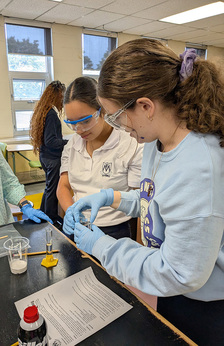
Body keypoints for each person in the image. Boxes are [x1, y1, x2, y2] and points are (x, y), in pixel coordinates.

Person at [63, 39, 224, 344]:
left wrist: (103, 247)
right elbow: (157, 199)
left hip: (205, 306)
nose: (118, 126)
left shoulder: (198, 165)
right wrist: (112, 197)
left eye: (116, 116)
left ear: (146, 106)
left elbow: (181, 272)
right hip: (172, 290)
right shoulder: (155, 141)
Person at [58, 76, 142, 240]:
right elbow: (63, 186)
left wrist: (140, 246)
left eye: (85, 121)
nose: (79, 130)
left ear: (103, 110)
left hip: (115, 231)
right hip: (78, 226)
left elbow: (141, 203)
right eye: (72, 123)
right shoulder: (72, 144)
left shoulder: (130, 144)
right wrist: (71, 212)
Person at [28, 80, 66, 223]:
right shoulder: (51, 114)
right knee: (52, 188)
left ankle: (44, 212)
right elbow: (51, 141)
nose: (63, 100)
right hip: (52, 159)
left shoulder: (45, 111)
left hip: (45, 156)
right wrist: (69, 142)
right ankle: (51, 218)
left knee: (49, 187)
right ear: (56, 95)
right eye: (62, 96)